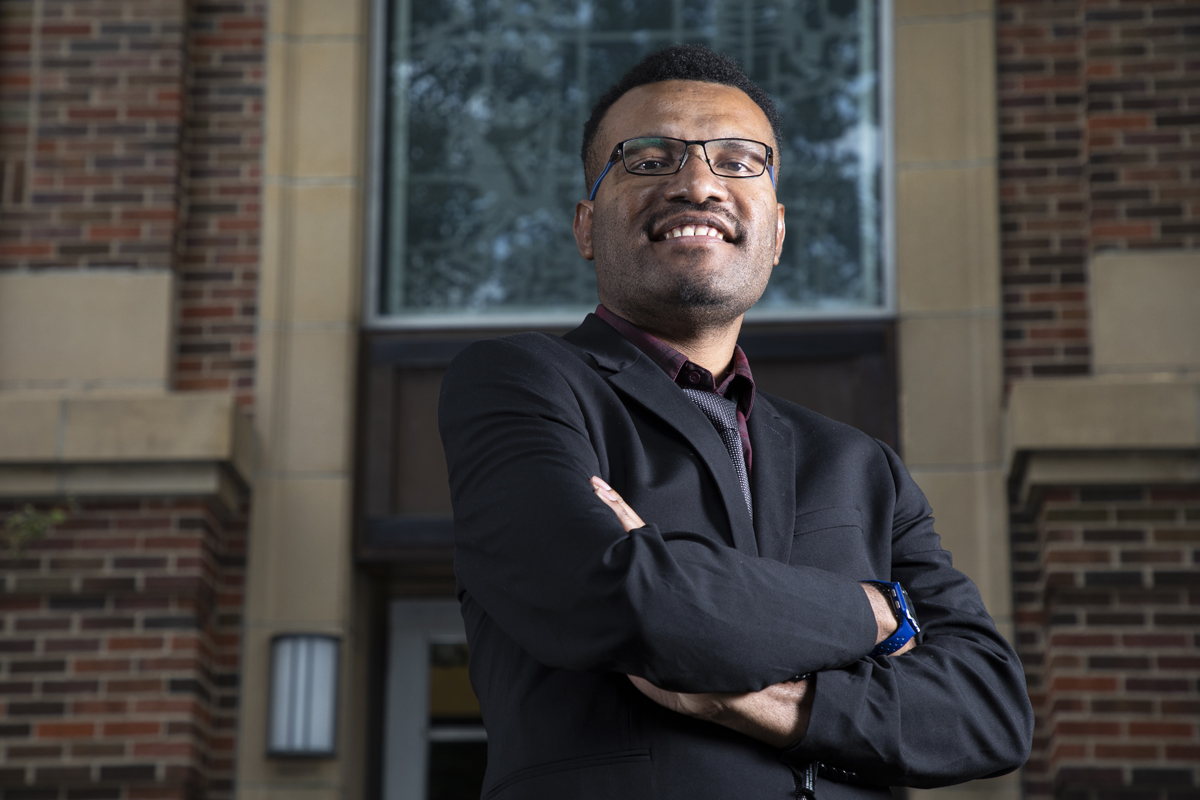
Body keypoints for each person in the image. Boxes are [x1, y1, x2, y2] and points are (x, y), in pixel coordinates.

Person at [438, 44, 1033, 800]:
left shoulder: (859, 466)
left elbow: (989, 712)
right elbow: (617, 600)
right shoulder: (520, 385)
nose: (696, 183)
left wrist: (767, 703)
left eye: (738, 160)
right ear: (587, 227)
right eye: (648, 159)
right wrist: (878, 611)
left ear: (777, 233)